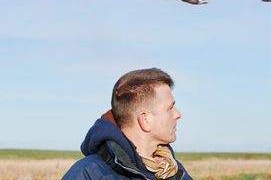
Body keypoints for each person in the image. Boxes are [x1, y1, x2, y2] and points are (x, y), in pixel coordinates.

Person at [62, 68, 192, 180]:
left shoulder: (175, 172)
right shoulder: (87, 174)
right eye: (170, 108)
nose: (178, 114)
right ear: (145, 120)